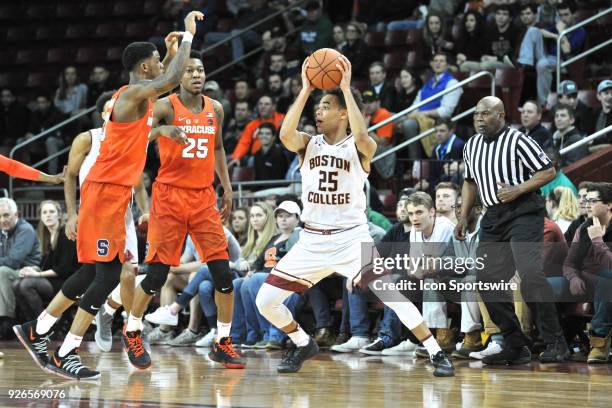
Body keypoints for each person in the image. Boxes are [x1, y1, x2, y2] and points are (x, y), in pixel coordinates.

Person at [12, 12, 202, 380]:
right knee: (106, 276)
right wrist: (190, 37)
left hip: (112, 195)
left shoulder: (136, 99)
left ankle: (39, 331)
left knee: (92, 274)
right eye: (157, 62)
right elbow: (173, 78)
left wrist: (164, 124)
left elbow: (146, 123)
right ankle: (61, 346)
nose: (162, 66)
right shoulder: (130, 94)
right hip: (105, 194)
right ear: (145, 66)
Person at [254, 56, 454, 376]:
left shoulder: (360, 147)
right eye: (317, 107)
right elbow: (285, 135)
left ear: (344, 112)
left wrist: (347, 89)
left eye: (325, 106)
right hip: (311, 240)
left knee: (392, 294)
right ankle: (303, 342)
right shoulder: (308, 144)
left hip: (350, 238)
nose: (318, 112)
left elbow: (363, 137)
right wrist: (306, 90)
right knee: (265, 300)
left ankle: (435, 353)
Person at [123, 50, 245, 370]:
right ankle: (132, 330)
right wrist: (161, 131)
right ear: (179, 77)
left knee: (223, 273)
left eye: (200, 70)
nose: (196, 75)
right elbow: (134, 136)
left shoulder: (215, 109)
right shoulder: (165, 106)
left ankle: (223, 340)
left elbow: (218, 148)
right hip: (169, 197)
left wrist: (228, 187)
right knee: (157, 274)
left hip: (203, 197)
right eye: (189, 70)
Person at [457, 95, 569, 365]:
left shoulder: (518, 140)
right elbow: (470, 183)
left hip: (524, 212)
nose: (479, 119)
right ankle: (515, 343)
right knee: (485, 280)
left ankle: (556, 342)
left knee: (530, 275)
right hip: (493, 216)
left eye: (485, 114)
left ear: (501, 116)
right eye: (476, 114)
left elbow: (548, 171)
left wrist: (518, 189)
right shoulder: (471, 145)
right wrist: (464, 217)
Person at [56, 91, 150, 352]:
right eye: (112, 109)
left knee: (130, 273)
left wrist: (146, 210)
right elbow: (70, 176)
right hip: (95, 215)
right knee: (103, 274)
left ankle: (123, 325)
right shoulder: (88, 139)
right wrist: (72, 213)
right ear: (103, 114)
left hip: (124, 215)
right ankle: (102, 319)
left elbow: (139, 185)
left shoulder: (132, 141)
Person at [562, 182, 612, 363]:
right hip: (586, 280)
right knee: (539, 283)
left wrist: (598, 240)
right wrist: (573, 277)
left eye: (593, 201)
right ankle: (555, 340)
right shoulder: (583, 228)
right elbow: (569, 263)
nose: (587, 204)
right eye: (586, 200)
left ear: (609, 205)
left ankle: (599, 341)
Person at [13, 201, 79, 321]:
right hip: (54, 279)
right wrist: (32, 269)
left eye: (52, 212)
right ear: (41, 217)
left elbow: (63, 269)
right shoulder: (47, 236)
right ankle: (32, 321)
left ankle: (46, 323)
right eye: (44, 212)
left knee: (26, 285)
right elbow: (46, 265)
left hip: (68, 281)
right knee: (16, 284)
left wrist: (37, 274)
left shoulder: (66, 233)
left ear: (59, 215)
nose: (48, 215)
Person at [0, 198, 41, 338]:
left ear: (16, 215)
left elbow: (13, 261)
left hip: (31, 271)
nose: (2, 220)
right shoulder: (2, 231)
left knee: (2, 272)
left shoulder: (25, 230)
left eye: (6, 215)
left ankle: (7, 320)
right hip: (15, 270)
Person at [535, 1, 586, 107]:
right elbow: (540, 32)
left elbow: (567, 50)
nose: (563, 18)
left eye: (566, 14)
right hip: (551, 57)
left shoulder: (579, 30)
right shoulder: (557, 26)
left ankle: (544, 103)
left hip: (567, 62)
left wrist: (560, 32)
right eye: (561, 15)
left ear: (574, 14)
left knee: (542, 64)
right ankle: (523, 61)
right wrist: (555, 36)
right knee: (532, 32)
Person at [230, 95, 285, 165]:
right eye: (260, 104)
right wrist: (236, 157)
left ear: (274, 107)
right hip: (256, 156)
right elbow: (244, 142)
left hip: (277, 155)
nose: (263, 106)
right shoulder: (252, 124)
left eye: (266, 104)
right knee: (229, 159)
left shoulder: (283, 120)